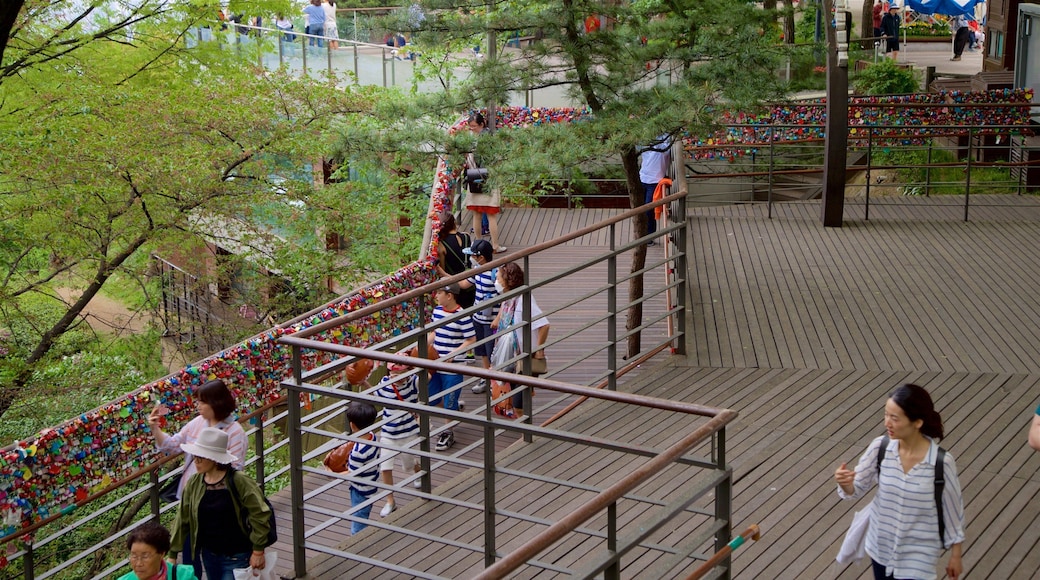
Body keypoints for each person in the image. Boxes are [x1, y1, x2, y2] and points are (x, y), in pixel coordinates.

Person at [834, 384, 964, 580]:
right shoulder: (880, 448)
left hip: (918, 555)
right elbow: (856, 489)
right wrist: (845, 484)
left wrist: (956, 555)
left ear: (917, 422)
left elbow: (953, 510)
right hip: (881, 549)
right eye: (886, 415)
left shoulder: (942, 463)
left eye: (895, 418)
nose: (887, 423)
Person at [148, 379, 246, 577]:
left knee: (214, 555)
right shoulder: (197, 423)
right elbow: (172, 445)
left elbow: (234, 469)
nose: (198, 406)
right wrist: (155, 429)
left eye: (202, 402)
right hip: (191, 500)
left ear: (216, 403)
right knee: (190, 558)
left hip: (217, 505)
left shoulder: (235, 432)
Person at [169, 428, 272, 580]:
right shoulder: (194, 483)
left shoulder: (239, 481)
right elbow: (183, 518)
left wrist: (258, 550)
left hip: (237, 555)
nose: (196, 461)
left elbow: (260, 513)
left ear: (214, 459)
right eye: (195, 456)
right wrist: (172, 553)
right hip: (209, 555)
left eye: (201, 457)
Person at [491, 262, 550, 418]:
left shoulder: (524, 301)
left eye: (498, 278)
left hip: (524, 359)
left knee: (518, 406)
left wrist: (539, 350)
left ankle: (525, 426)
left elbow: (544, 325)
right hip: (513, 357)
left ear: (507, 281)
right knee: (519, 392)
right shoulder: (509, 297)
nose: (496, 282)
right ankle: (528, 392)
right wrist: (498, 319)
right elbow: (504, 309)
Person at [428, 283, 476, 450]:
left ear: (449, 296)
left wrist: (453, 354)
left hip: (453, 366)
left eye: (439, 292)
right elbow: (435, 332)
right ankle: (453, 409)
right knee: (431, 396)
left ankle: (448, 432)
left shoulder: (462, 316)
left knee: (449, 399)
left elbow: (471, 339)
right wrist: (421, 345)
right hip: (436, 362)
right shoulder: (437, 311)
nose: (436, 296)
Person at [373, 359, 423, 517]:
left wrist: (415, 365)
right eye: (394, 373)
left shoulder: (413, 382)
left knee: (410, 463)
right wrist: (363, 382)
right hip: (388, 432)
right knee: (385, 467)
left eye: (400, 374)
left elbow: (427, 377)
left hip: (408, 432)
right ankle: (390, 501)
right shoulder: (385, 382)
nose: (397, 377)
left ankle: (418, 472)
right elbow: (375, 394)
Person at [459, 239, 499, 394]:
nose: (471, 258)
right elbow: (463, 284)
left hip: (491, 321)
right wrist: (442, 276)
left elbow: (506, 297)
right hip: (478, 318)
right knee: (482, 351)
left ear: (481, 258)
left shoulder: (495, 273)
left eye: (473, 256)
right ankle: (486, 377)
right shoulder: (477, 270)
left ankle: (494, 380)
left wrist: (498, 318)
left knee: (491, 351)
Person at [463, 113, 506, 254]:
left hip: (474, 178)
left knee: (477, 214)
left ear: (482, 124)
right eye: (470, 127)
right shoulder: (489, 138)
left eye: (474, 126)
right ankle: (495, 245)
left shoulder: (475, 140)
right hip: (489, 179)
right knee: (490, 214)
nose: (472, 129)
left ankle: (478, 244)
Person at [344, 401, 380, 533]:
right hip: (370, 485)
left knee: (358, 524)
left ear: (352, 425)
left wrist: (330, 472)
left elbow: (351, 473)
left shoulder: (358, 452)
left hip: (360, 491)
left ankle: (358, 543)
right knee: (362, 516)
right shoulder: (372, 436)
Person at [119, 521, 198, 580]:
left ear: (161, 554)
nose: (139, 564)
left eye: (145, 556)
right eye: (134, 556)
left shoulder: (183, 576)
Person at [435, 214, 476, 308]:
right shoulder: (466, 236)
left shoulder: (442, 245)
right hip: (470, 282)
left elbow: (442, 269)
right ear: (454, 223)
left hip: (454, 288)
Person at [639, 135, 671, 246]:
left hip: (655, 180)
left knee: (649, 209)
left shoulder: (664, 141)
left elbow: (666, 147)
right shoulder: (644, 139)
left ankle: (649, 236)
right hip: (642, 177)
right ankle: (642, 234)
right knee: (641, 208)